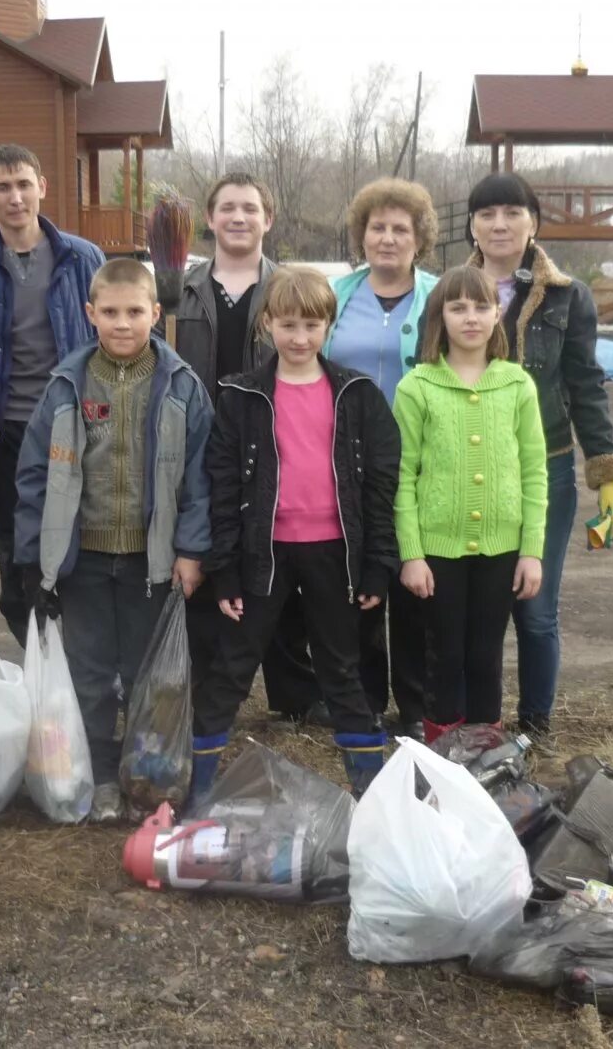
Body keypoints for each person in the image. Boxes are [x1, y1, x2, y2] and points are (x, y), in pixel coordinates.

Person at [12, 260, 212, 824]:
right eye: (110, 313)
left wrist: (191, 551)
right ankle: (100, 772)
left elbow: (201, 480)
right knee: (92, 672)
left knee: (150, 674)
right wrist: (37, 559)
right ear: (89, 314)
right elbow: (33, 478)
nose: (122, 324)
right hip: (87, 560)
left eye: (134, 312)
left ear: (156, 313)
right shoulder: (66, 387)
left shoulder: (181, 388)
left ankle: (146, 775)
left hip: (154, 561)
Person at [192, 266, 400, 807]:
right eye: (288, 325)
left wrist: (378, 564)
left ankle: (373, 797)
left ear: (329, 325)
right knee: (233, 667)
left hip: (337, 555)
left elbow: (381, 486)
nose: (300, 338)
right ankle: (197, 791)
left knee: (341, 669)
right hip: (264, 555)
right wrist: (225, 568)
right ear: (267, 325)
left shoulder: (357, 394)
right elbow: (220, 485)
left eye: (312, 325)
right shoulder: (240, 398)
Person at [465, 172, 613, 738]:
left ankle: (535, 727)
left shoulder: (567, 296)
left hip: (548, 467)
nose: (500, 224)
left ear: (533, 222)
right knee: (473, 608)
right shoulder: (454, 291)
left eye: (512, 212)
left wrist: (606, 473)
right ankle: (470, 721)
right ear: (472, 225)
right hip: (469, 466)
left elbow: (587, 384)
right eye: (487, 214)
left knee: (534, 608)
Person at [168, 172, 317, 719]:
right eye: (227, 207)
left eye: (250, 208)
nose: (238, 217)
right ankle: (203, 687)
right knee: (208, 555)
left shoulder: (287, 289)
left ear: (267, 220)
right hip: (198, 440)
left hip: (272, 440)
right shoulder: (178, 289)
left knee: (277, 564)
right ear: (209, 219)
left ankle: (294, 695)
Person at [0, 144, 105, 647]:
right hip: (7, 431)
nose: (15, 197)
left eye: (23, 184)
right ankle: (35, 651)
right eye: (2, 187)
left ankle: (86, 654)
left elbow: (111, 337)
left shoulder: (83, 260)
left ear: (42, 186)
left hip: (78, 422)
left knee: (83, 536)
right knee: (15, 542)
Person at [394, 266, 548, 737]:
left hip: (501, 549)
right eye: (458, 307)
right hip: (438, 550)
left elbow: (534, 472)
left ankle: (486, 755)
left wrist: (531, 551)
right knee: (445, 654)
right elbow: (402, 477)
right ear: (440, 315)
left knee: (485, 655)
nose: (471, 318)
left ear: (498, 314)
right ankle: (443, 756)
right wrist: (412, 554)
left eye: (481, 307)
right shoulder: (417, 387)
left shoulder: (517, 385)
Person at [321, 177, 441, 738]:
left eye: (400, 229)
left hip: (423, 459)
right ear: (361, 235)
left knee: (415, 582)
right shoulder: (338, 294)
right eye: (377, 228)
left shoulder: (439, 296)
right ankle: (364, 700)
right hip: (348, 459)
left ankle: (416, 707)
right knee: (361, 579)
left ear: (420, 239)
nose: (388, 238)